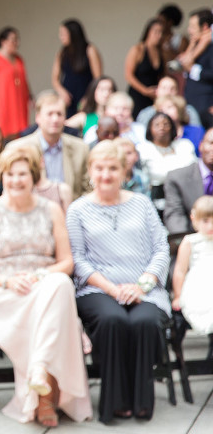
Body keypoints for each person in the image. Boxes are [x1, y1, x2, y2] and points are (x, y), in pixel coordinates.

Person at [0, 145, 92, 427]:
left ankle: (40, 376)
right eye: (10, 174)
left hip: (43, 283)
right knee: (57, 296)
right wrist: (7, 280)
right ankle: (45, 389)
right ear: (3, 177)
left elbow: (67, 263)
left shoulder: (51, 210)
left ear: (34, 176)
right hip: (4, 290)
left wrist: (39, 275)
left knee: (59, 284)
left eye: (22, 174)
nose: (15, 180)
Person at [67, 140, 170, 423]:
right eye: (99, 168)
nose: (106, 175)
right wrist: (113, 289)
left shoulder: (142, 203)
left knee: (144, 321)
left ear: (124, 172)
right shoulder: (77, 210)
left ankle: (141, 402)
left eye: (113, 168)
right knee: (113, 320)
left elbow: (161, 247)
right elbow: (78, 259)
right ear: (90, 171)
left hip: (144, 288)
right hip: (98, 288)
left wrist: (142, 286)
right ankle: (114, 403)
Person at [7, 92, 90, 199]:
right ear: (38, 118)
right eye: (50, 114)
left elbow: (89, 187)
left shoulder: (81, 148)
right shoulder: (17, 148)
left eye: (59, 114)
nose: (55, 119)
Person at [137, 112, 197, 213]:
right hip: (158, 197)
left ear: (172, 127)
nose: (162, 128)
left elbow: (194, 170)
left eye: (166, 124)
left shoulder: (184, 145)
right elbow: (158, 174)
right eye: (157, 125)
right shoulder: (143, 149)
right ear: (149, 128)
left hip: (187, 193)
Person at [172, 195, 213, 341]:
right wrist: (177, 296)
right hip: (198, 286)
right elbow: (180, 270)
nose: (210, 227)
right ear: (194, 219)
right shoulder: (190, 241)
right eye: (205, 221)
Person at [0, 26, 32, 137]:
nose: (16, 43)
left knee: (21, 131)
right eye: (13, 40)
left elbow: (24, 80)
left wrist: (30, 96)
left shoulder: (19, 59)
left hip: (19, 102)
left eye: (17, 39)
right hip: (3, 102)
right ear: (3, 41)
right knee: (3, 129)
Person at [163, 127, 213, 235]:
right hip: (192, 241)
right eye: (211, 143)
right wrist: (189, 243)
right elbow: (175, 216)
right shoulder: (177, 178)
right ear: (201, 146)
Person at [52, 19, 103, 118]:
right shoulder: (62, 53)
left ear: (73, 34)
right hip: (68, 97)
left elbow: (98, 78)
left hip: (85, 95)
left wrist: (88, 97)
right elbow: (55, 78)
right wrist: (61, 91)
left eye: (63, 34)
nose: (61, 37)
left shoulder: (90, 50)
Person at [124, 18, 165, 119]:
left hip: (155, 96)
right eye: (156, 31)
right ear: (148, 32)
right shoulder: (137, 49)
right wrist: (145, 91)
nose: (159, 36)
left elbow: (163, 75)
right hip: (138, 95)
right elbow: (128, 75)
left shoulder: (161, 52)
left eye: (161, 32)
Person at [181, 8, 213, 129]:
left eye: (193, 27)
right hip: (191, 106)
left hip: (207, 107)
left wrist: (193, 69)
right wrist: (192, 45)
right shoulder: (197, 46)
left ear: (204, 27)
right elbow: (183, 64)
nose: (189, 31)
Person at [135, 76, 202, 128]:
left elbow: (197, 133)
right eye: (164, 88)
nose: (168, 92)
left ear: (178, 92)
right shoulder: (146, 113)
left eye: (172, 88)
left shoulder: (189, 111)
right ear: (157, 91)